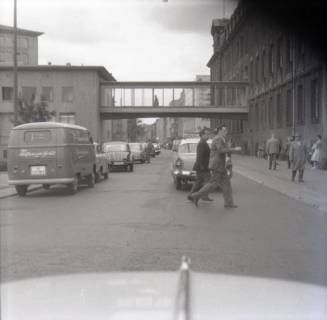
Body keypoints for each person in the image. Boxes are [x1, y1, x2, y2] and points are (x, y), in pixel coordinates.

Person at [190, 125, 241, 209]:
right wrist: (234, 149)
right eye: (224, 131)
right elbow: (221, 150)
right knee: (213, 184)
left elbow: (223, 150)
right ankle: (196, 195)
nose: (226, 132)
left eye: (226, 131)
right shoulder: (218, 139)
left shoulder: (221, 139)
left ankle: (228, 203)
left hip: (221, 165)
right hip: (217, 165)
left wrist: (229, 148)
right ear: (219, 131)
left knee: (226, 184)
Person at [187, 128, 213, 202]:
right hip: (203, 167)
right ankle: (202, 196)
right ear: (202, 135)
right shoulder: (202, 143)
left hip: (201, 166)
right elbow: (200, 156)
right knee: (209, 182)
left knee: (198, 182)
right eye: (206, 134)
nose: (208, 136)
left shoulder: (203, 143)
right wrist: (202, 166)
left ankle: (191, 195)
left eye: (209, 134)